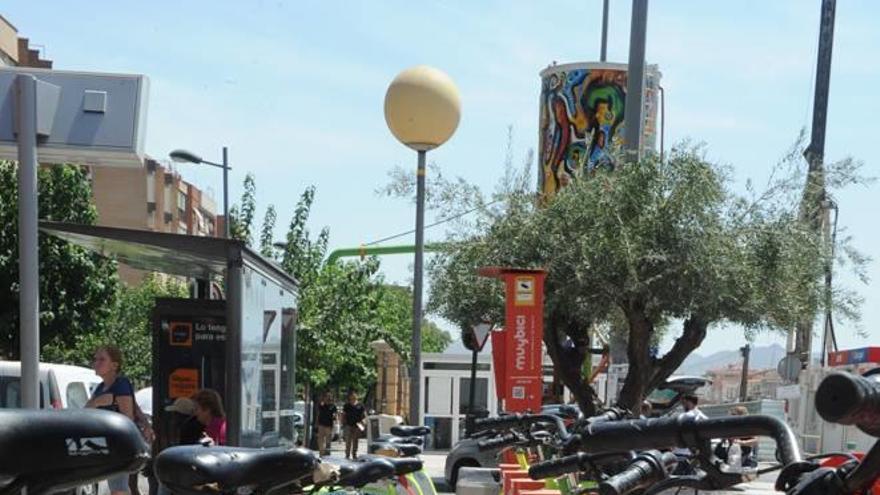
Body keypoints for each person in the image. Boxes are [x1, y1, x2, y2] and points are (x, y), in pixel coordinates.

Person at [86, 345, 136, 495]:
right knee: (116, 487)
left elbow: (128, 418)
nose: (96, 363)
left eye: (102, 359)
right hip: (107, 444)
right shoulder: (101, 387)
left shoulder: (121, 384)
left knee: (118, 488)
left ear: (114, 365)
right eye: (95, 359)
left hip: (119, 444)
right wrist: (98, 402)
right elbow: (86, 410)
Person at [672, 394, 707, 474]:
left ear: (690, 402)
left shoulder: (687, 417)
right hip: (685, 453)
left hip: (685, 453)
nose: (683, 405)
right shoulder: (703, 417)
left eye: (684, 403)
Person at [342, 391, 366, 459]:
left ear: (356, 397)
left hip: (357, 425)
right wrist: (343, 422)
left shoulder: (360, 405)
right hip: (348, 425)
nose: (353, 397)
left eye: (354, 396)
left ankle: (354, 454)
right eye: (352, 396)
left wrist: (363, 423)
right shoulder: (347, 405)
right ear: (350, 397)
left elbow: (364, 415)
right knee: (348, 441)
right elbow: (344, 415)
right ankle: (347, 454)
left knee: (355, 440)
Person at [316, 392, 337, 456]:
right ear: (324, 398)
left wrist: (335, 420)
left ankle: (327, 452)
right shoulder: (321, 405)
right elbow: (318, 414)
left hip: (329, 425)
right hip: (321, 424)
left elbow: (335, 415)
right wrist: (316, 423)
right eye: (327, 396)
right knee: (320, 439)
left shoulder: (333, 406)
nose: (328, 398)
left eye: (329, 397)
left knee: (328, 440)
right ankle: (321, 453)